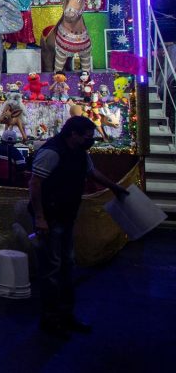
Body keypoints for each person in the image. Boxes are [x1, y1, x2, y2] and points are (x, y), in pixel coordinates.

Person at [29, 116, 130, 338]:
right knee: (52, 268)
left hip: (66, 215)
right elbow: (35, 183)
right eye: (87, 136)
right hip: (51, 216)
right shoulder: (52, 152)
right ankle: (50, 317)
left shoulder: (79, 153)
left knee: (67, 265)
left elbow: (92, 172)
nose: (90, 140)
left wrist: (115, 187)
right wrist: (40, 217)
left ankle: (66, 314)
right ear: (73, 134)